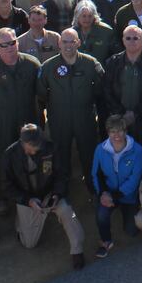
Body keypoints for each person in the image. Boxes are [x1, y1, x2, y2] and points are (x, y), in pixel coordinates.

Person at [1, 124, 86, 267]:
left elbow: (61, 174)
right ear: (23, 143)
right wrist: (27, 201)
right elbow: (6, 186)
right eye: (33, 146)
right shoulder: (10, 155)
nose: (36, 149)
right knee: (29, 243)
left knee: (66, 211)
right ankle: (21, 222)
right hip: (26, 198)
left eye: (38, 144)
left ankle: (77, 250)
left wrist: (57, 194)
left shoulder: (51, 148)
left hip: (48, 193)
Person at [39, 28, 105, 193]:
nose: (68, 45)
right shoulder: (48, 67)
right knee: (60, 156)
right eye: (65, 41)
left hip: (85, 119)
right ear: (59, 43)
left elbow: (101, 90)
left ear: (79, 43)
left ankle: (93, 189)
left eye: (72, 41)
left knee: (89, 154)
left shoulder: (91, 64)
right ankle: (62, 192)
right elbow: (41, 93)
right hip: (59, 120)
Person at [102, 24, 142, 164]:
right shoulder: (113, 62)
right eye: (128, 38)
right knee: (121, 158)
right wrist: (121, 113)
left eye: (135, 38)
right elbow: (107, 89)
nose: (131, 41)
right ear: (123, 40)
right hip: (120, 121)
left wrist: (136, 113)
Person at [0, 28, 42, 153]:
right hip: (1, 125)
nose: (9, 47)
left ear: (17, 42)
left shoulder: (32, 64)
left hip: (28, 120)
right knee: (4, 158)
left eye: (12, 43)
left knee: (31, 157)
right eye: (4, 45)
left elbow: (41, 92)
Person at [91, 115, 142, 257]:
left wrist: (114, 196)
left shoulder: (137, 150)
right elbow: (96, 174)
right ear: (108, 133)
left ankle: (134, 210)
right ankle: (106, 241)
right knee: (101, 214)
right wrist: (103, 193)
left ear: (126, 131)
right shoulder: (100, 149)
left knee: (131, 231)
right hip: (108, 193)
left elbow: (135, 180)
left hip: (128, 195)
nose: (117, 135)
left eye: (120, 131)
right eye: (112, 132)